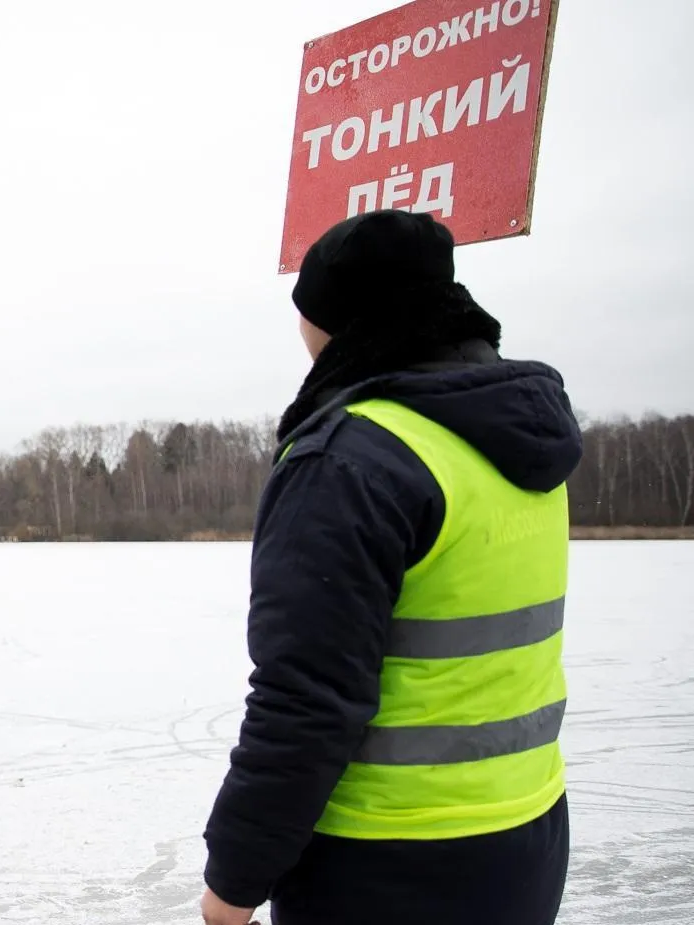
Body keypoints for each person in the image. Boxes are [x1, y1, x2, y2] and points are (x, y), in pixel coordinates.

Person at [199, 211, 579, 925]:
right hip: (523, 836)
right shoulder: (514, 440)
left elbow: (305, 700)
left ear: (336, 319)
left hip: (386, 861)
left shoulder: (351, 458)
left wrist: (235, 879)